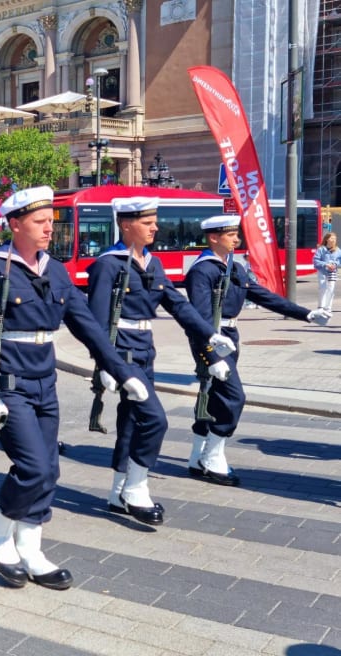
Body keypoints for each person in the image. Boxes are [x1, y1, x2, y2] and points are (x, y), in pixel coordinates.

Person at [0, 186, 148, 590]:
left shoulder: (56, 271)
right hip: (9, 386)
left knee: (50, 470)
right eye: (40, 222)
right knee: (33, 467)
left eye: (51, 221)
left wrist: (122, 371)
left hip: (46, 384)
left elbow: (88, 327)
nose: (49, 228)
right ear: (15, 224)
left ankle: (30, 545)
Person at [85, 197, 234, 525]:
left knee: (131, 422)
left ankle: (117, 491)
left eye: (155, 221)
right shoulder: (108, 265)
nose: (155, 227)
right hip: (121, 355)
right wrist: (104, 366)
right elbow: (94, 323)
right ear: (126, 225)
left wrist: (209, 335)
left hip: (144, 350)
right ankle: (136, 489)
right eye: (147, 221)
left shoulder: (151, 263)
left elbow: (177, 305)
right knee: (155, 420)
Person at [184, 216, 330, 486]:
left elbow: (263, 296)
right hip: (214, 341)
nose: (236, 239)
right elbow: (198, 321)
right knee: (234, 397)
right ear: (213, 238)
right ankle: (212, 458)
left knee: (212, 399)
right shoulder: (202, 271)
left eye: (236, 234)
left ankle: (196, 457)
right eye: (230, 235)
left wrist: (306, 314)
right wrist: (211, 355)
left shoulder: (233, 268)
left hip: (231, 337)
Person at [313, 231, 340, 314]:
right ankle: (321, 306)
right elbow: (315, 260)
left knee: (331, 289)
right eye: (332, 238)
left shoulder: (338, 250)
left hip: (332, 272)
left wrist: (335, 264)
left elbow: (339, 260)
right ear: (327, 239)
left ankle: (328, 307)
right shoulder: (321, 249)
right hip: (322, 271)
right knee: (323, 288)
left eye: (335, 238)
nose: (333, 240)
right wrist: (326, 264)